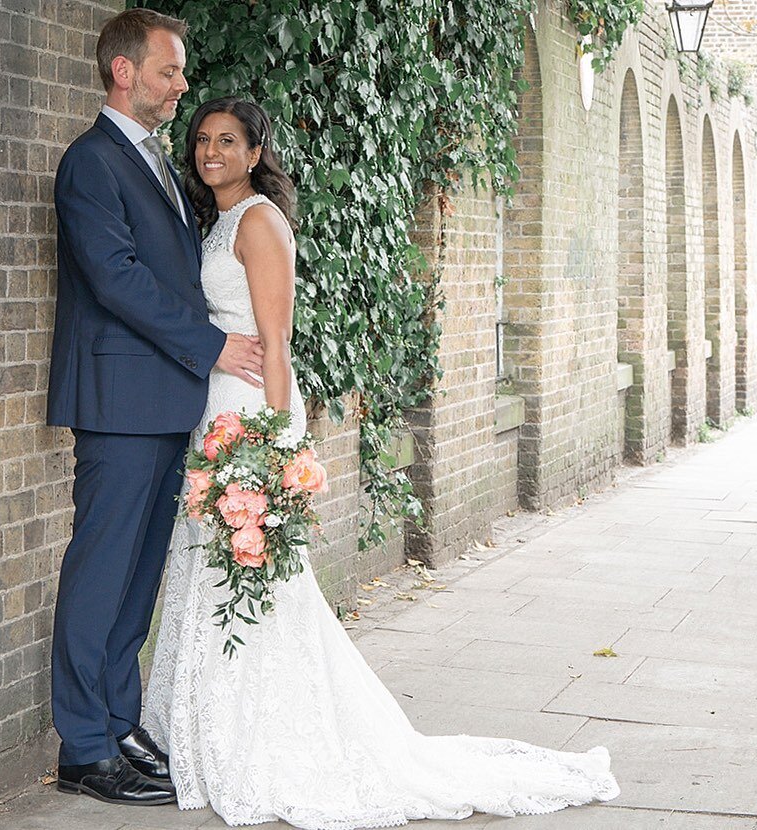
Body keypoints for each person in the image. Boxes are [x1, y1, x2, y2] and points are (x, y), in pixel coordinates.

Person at [143, 96, 620, 828]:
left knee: (255, 580)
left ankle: (268, 739)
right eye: (203, 140)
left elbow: (277, 340)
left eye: (227, 141)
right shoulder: (220, 222)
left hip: (251, 416)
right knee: (219, 576)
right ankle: (218, 732)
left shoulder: (260, 223)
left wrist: (273, 446)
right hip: (220, 409)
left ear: (255, 152)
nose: (211, 152)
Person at [46, 9, 265, 806]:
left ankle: (118, 722)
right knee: (100, 574)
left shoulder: (159, 165)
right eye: (170, 71)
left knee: (138, 579)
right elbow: (116, 277)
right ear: (124, 73)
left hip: (168, 402)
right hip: (118, 401)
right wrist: (212, 344)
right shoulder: (91, 163)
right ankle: (82, 746)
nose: (181, 86)